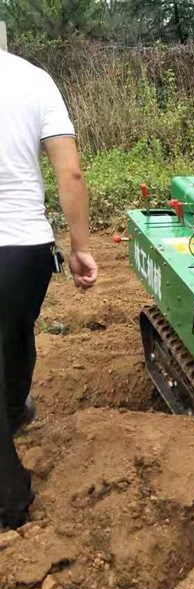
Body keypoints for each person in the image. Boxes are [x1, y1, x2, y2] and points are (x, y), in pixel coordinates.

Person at [0, 48, 98, 530]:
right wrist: (80, 247)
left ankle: (13, 412)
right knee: (15, 334)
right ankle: (9, 497)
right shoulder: (34, 80)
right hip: (22, 249)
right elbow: (70, 172)